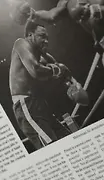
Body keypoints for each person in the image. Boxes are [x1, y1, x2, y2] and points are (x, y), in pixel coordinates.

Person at [10, 21, 88, 151]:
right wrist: (56, 69)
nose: (46, 41)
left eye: (47, 38)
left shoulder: (45, 57)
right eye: (42, 36)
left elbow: (64, 72)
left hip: (41, 104)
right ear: (30, 35)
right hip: (26, 105)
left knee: (68, 141)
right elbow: (35, 70)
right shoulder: (21, 43)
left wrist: (74, 85)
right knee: (53, 149)